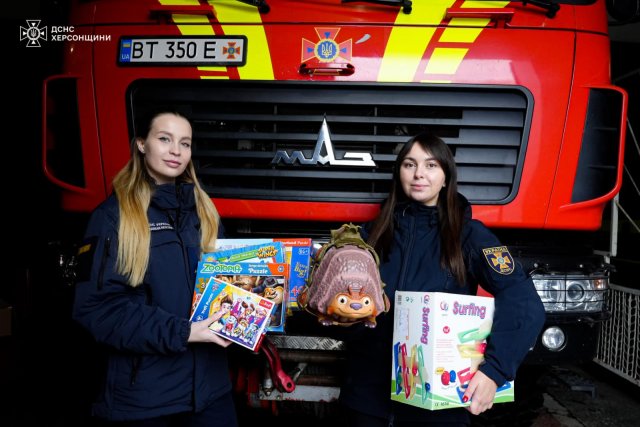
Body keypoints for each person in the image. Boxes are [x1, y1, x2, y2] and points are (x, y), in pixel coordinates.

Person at [338, 132, 546, 426]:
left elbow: (522, 300)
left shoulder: (469, 235)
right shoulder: (368, 235)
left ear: (446, 177)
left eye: (431, 165)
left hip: (439, 409)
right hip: (365, 400)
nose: (419, 174)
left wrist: (494, 371)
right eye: (409, 164)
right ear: (399, 173)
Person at [72, 110, 238, 426]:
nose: (176, 151)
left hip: (211, 395)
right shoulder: (113, 217)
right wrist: (184, 332)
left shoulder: (204, 213)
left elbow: (227, 288)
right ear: (141, 144)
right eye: (164, 139)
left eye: (185, 143)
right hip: (146, 400)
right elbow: (97, 311)